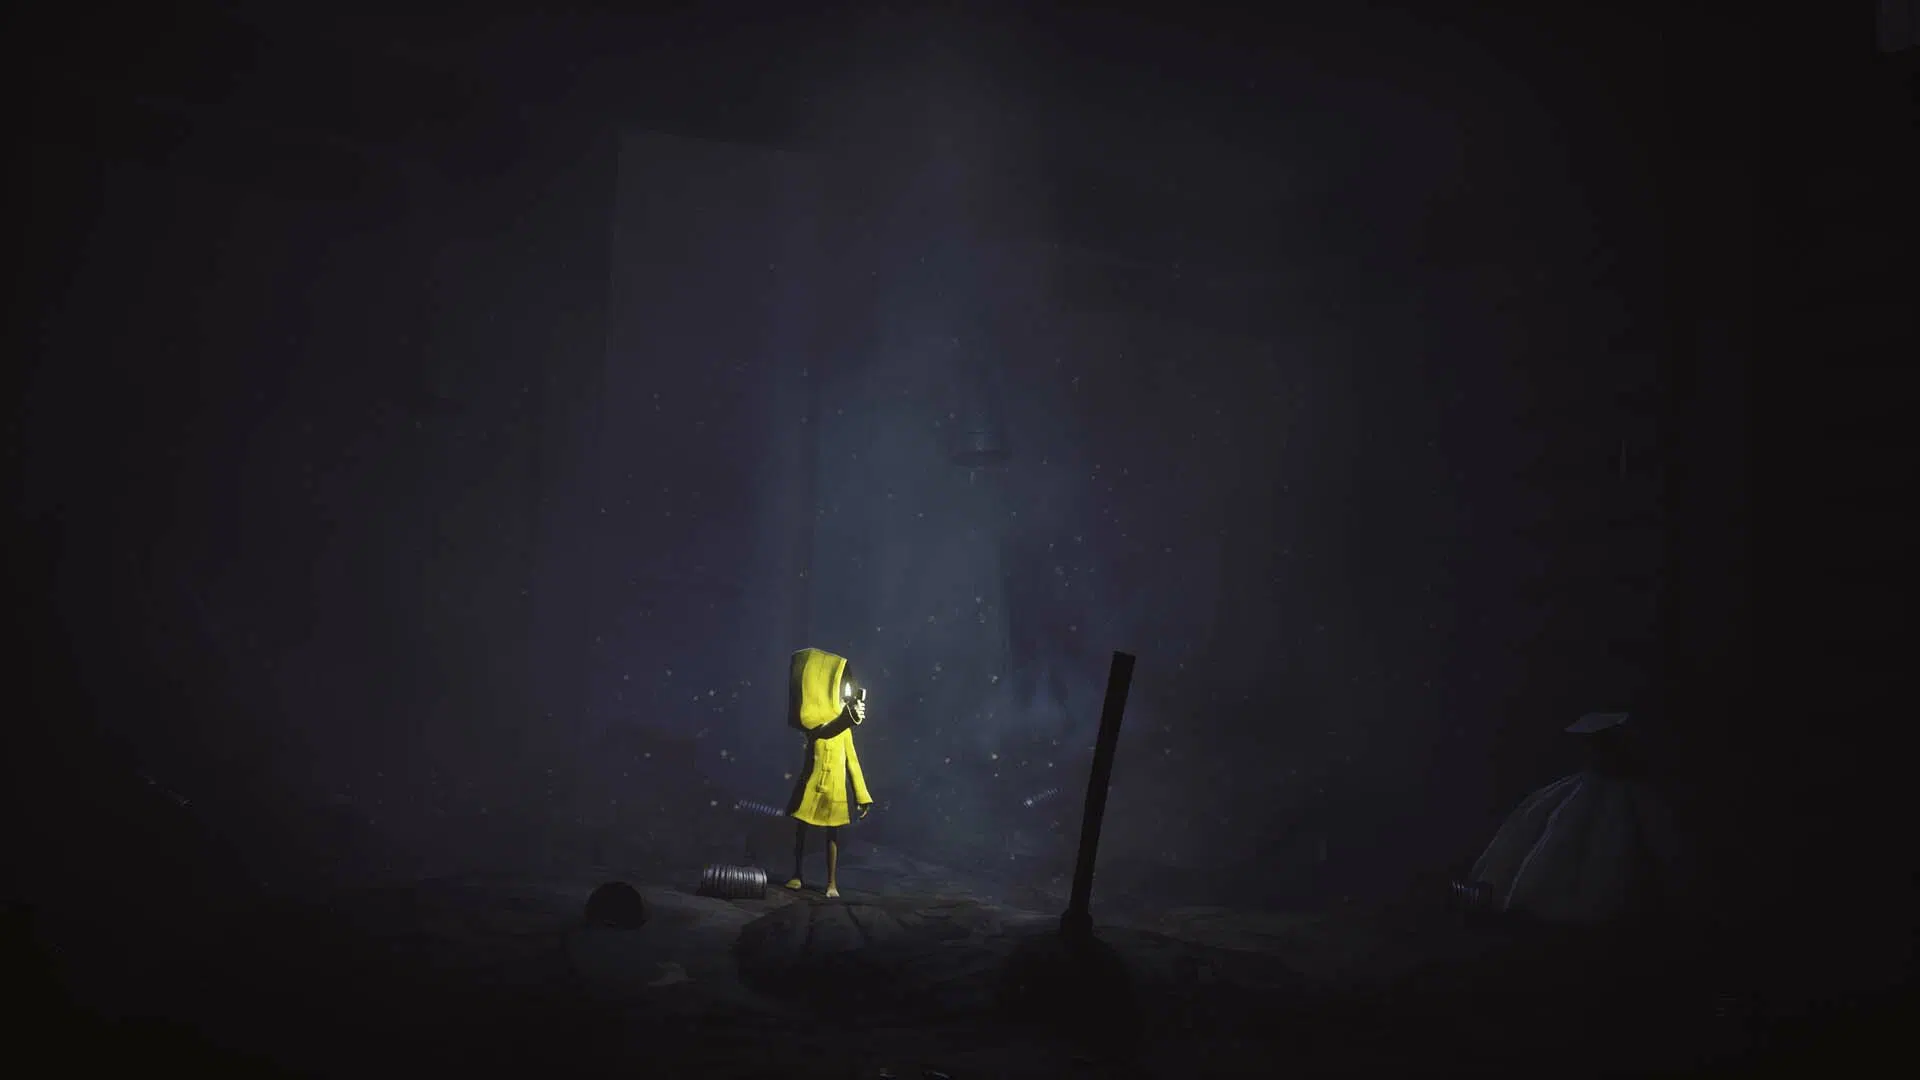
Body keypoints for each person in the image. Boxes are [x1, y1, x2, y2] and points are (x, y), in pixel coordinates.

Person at [782, 647, 873, 898]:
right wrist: (847, 718)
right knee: (802, 830)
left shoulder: (844, 731)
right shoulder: (816, 724)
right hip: (812, 785)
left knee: (832, 836)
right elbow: (824, 731)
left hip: (834, 790)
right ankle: (797, 874)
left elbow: (853, 762)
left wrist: (862, 795)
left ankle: (832, 883)